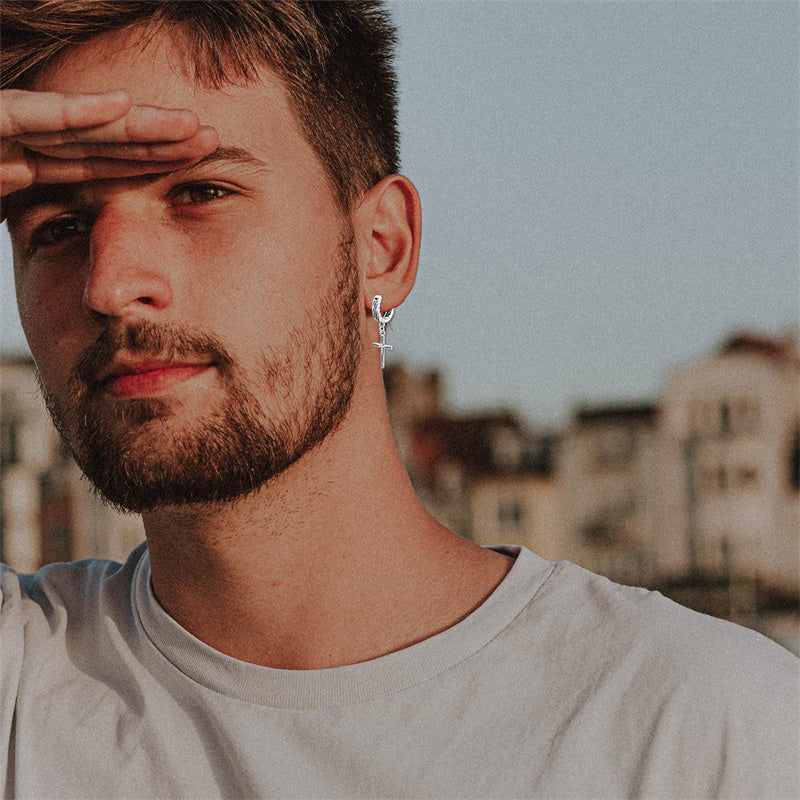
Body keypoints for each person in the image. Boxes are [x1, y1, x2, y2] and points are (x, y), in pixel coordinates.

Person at [0, 2, 797, 798]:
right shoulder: (20, 686)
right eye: (58, 228)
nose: (110, 285)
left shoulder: (706, 730)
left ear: (383, 247)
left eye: (201, 193)